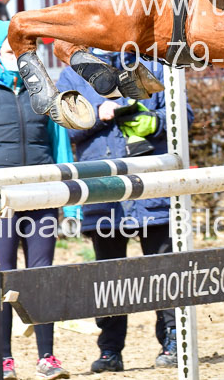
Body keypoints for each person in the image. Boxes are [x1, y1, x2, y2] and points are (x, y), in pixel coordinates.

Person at [0, 20, 76, 380]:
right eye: (9, 49)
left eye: (22, 50)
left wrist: (70, 202)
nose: (16, 56)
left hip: (42, 198)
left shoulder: (44, 88)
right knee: (3, 280)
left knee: (42, 278)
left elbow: (61, 146)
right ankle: (4, 359)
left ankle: (48, 357)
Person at [56, 51, 193, 373]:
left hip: (152, 188)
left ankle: (173, 342)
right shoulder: (73, 75)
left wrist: (155, 122)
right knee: (109, 278)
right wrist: (98, 114)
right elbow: (65, 129)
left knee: (165, 271)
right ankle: (109, 351)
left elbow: (184, 115)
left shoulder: (155, 64)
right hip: (103, 192)